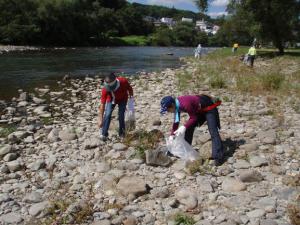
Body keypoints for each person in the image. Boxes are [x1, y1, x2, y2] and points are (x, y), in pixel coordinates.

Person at [160, 95, 224, 166]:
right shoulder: (176, 106)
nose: (168, 112)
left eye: (168, 110)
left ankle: (218, 157)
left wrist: (184, 126)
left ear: (172, 105)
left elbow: (193, 118)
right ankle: (186, 151)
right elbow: (176, 121)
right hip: (198, 110)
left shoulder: (185, 104)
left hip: (209, 108)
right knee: (188, 128)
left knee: (213, 131)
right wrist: (172, 134)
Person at [98, 72, 133, 141]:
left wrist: (131, 100)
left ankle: (122, 134)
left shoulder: (123, 81)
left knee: (121, 115)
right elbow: (102, 105)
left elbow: (130, 89)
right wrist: (100, 119)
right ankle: (104, 134)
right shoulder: (105, 89)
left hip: (122, 99)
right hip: (111, 99)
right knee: (107, 114)